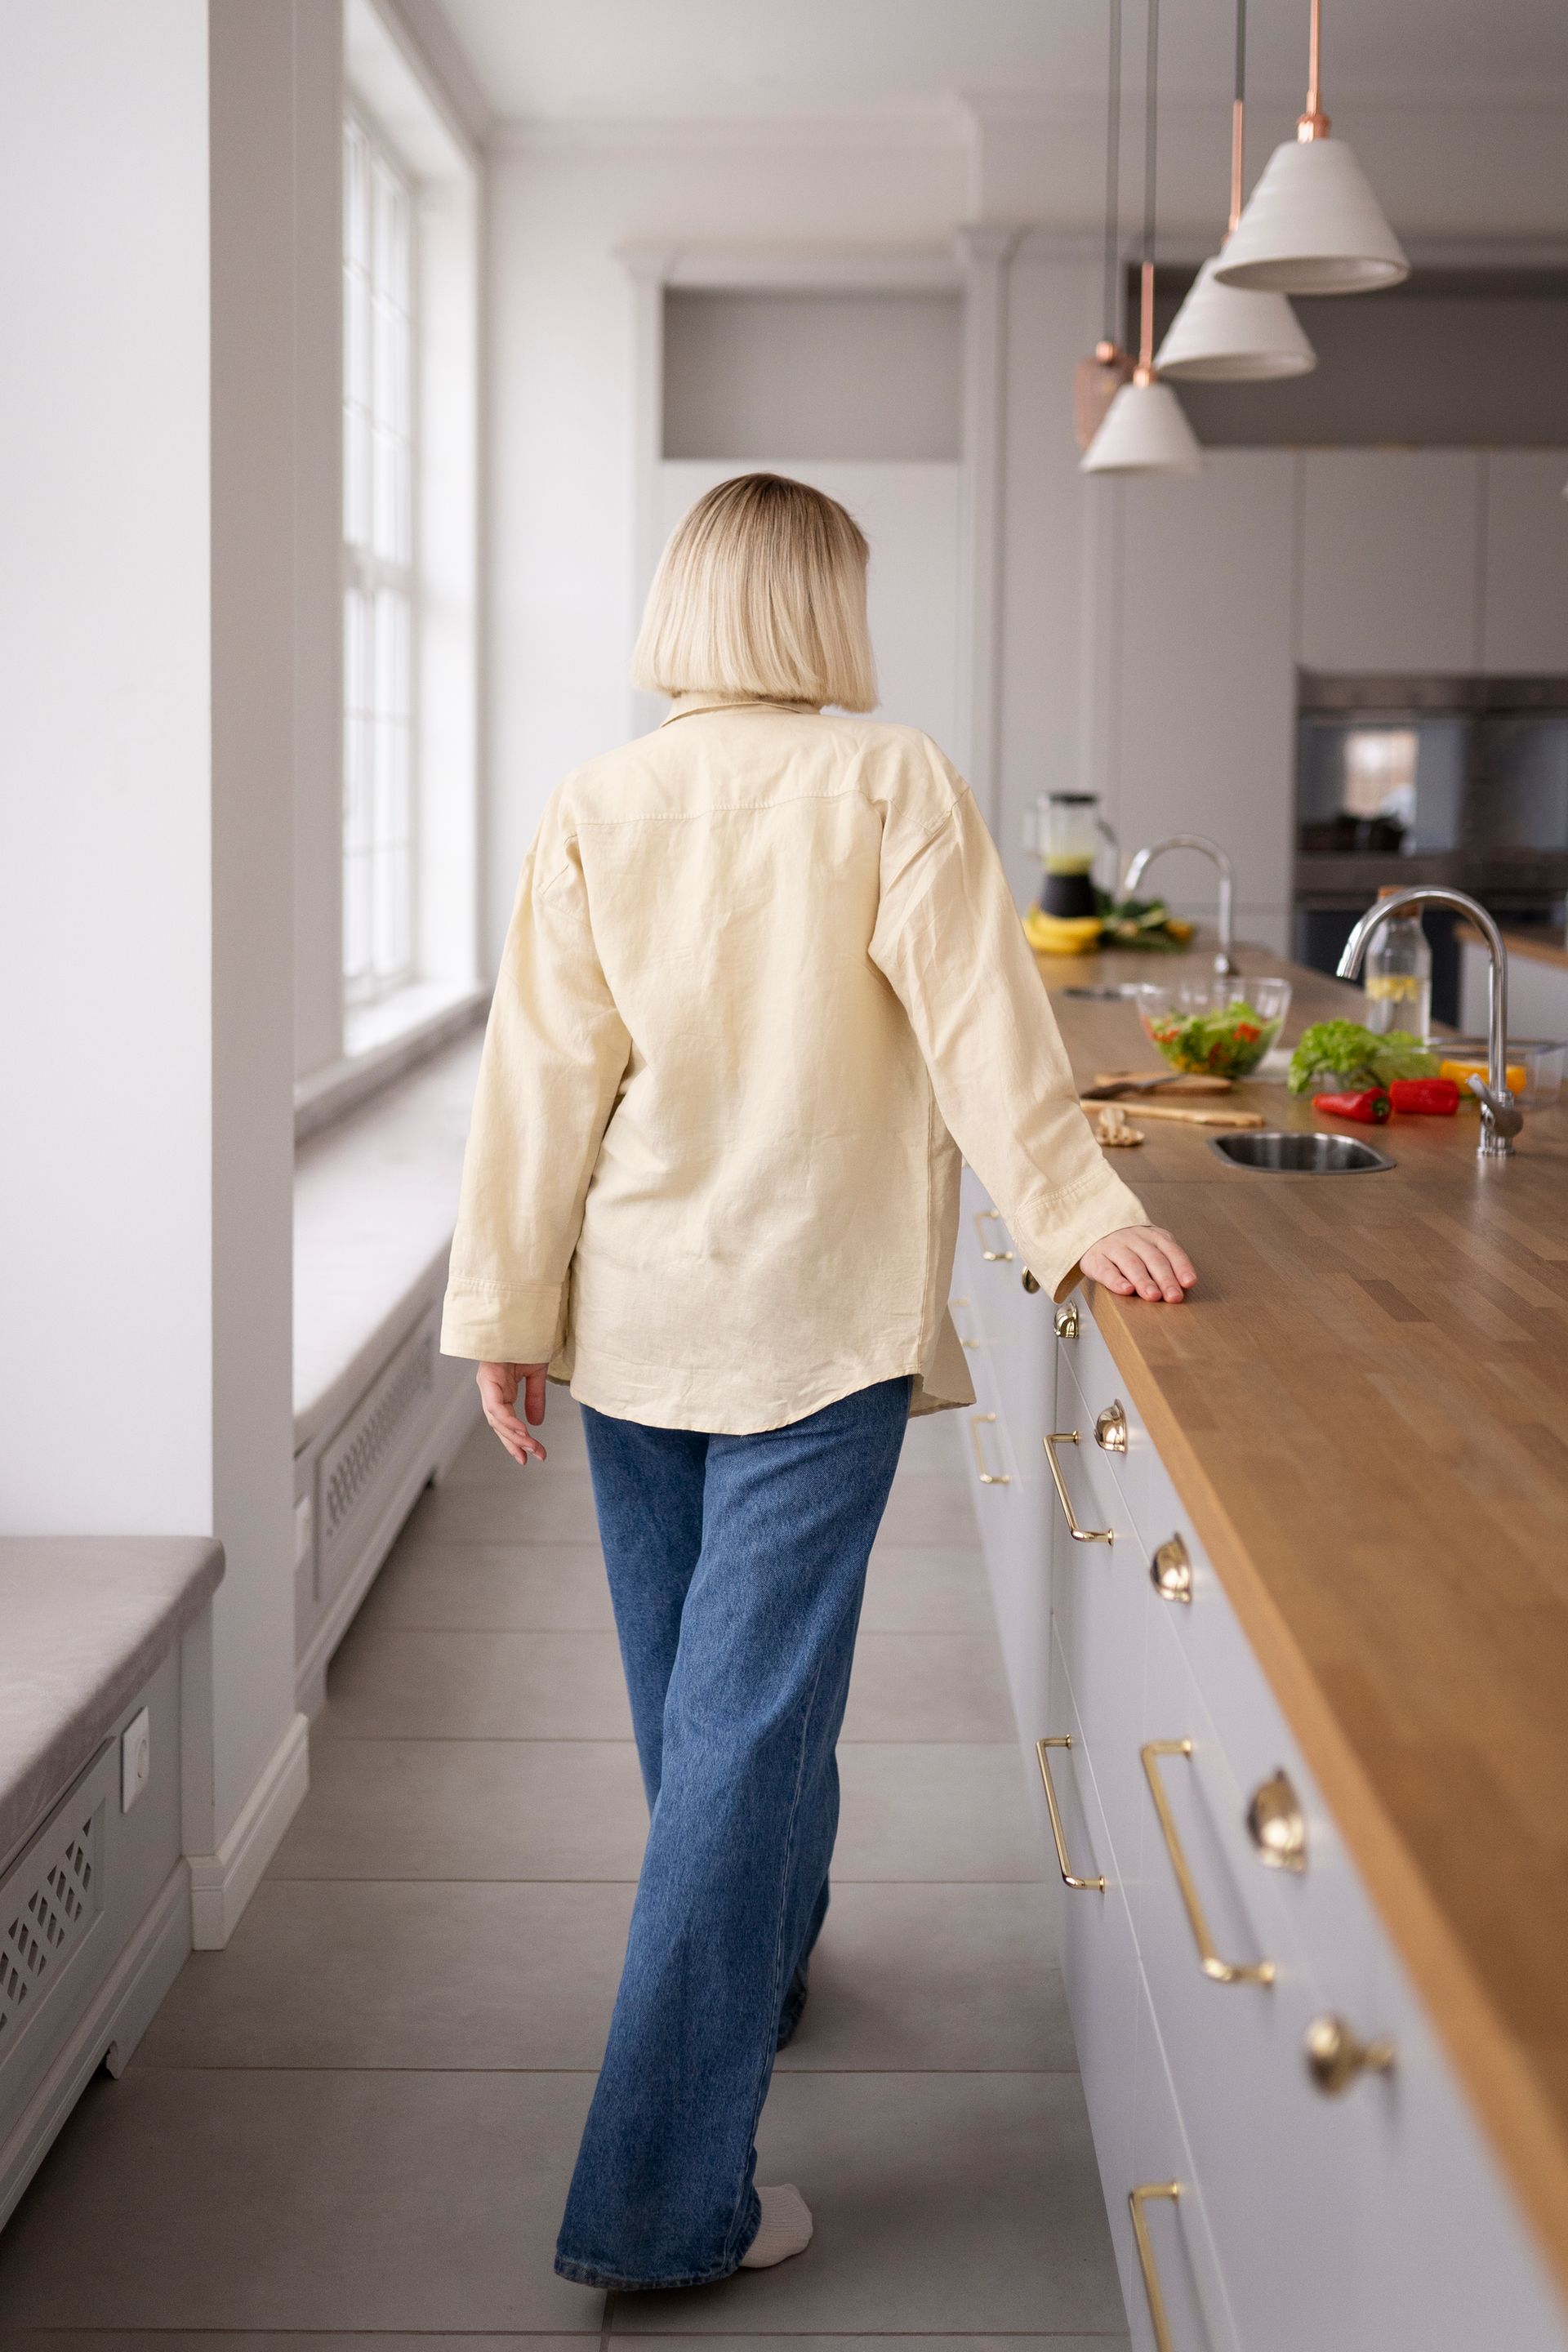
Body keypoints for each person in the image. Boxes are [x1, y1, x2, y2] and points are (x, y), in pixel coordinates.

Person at [440, 472, 1196, 2292]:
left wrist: (509, 1311)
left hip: (633, 1319)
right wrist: (1080, 1209)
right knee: (745, 1724)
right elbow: (984, 1034)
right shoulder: (890, 781)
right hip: (816, 1327)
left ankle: (762, 1970)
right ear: (821, 610)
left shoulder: (599, 802)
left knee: (695, 1706)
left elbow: (540, 1080)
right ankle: (657, 2204)